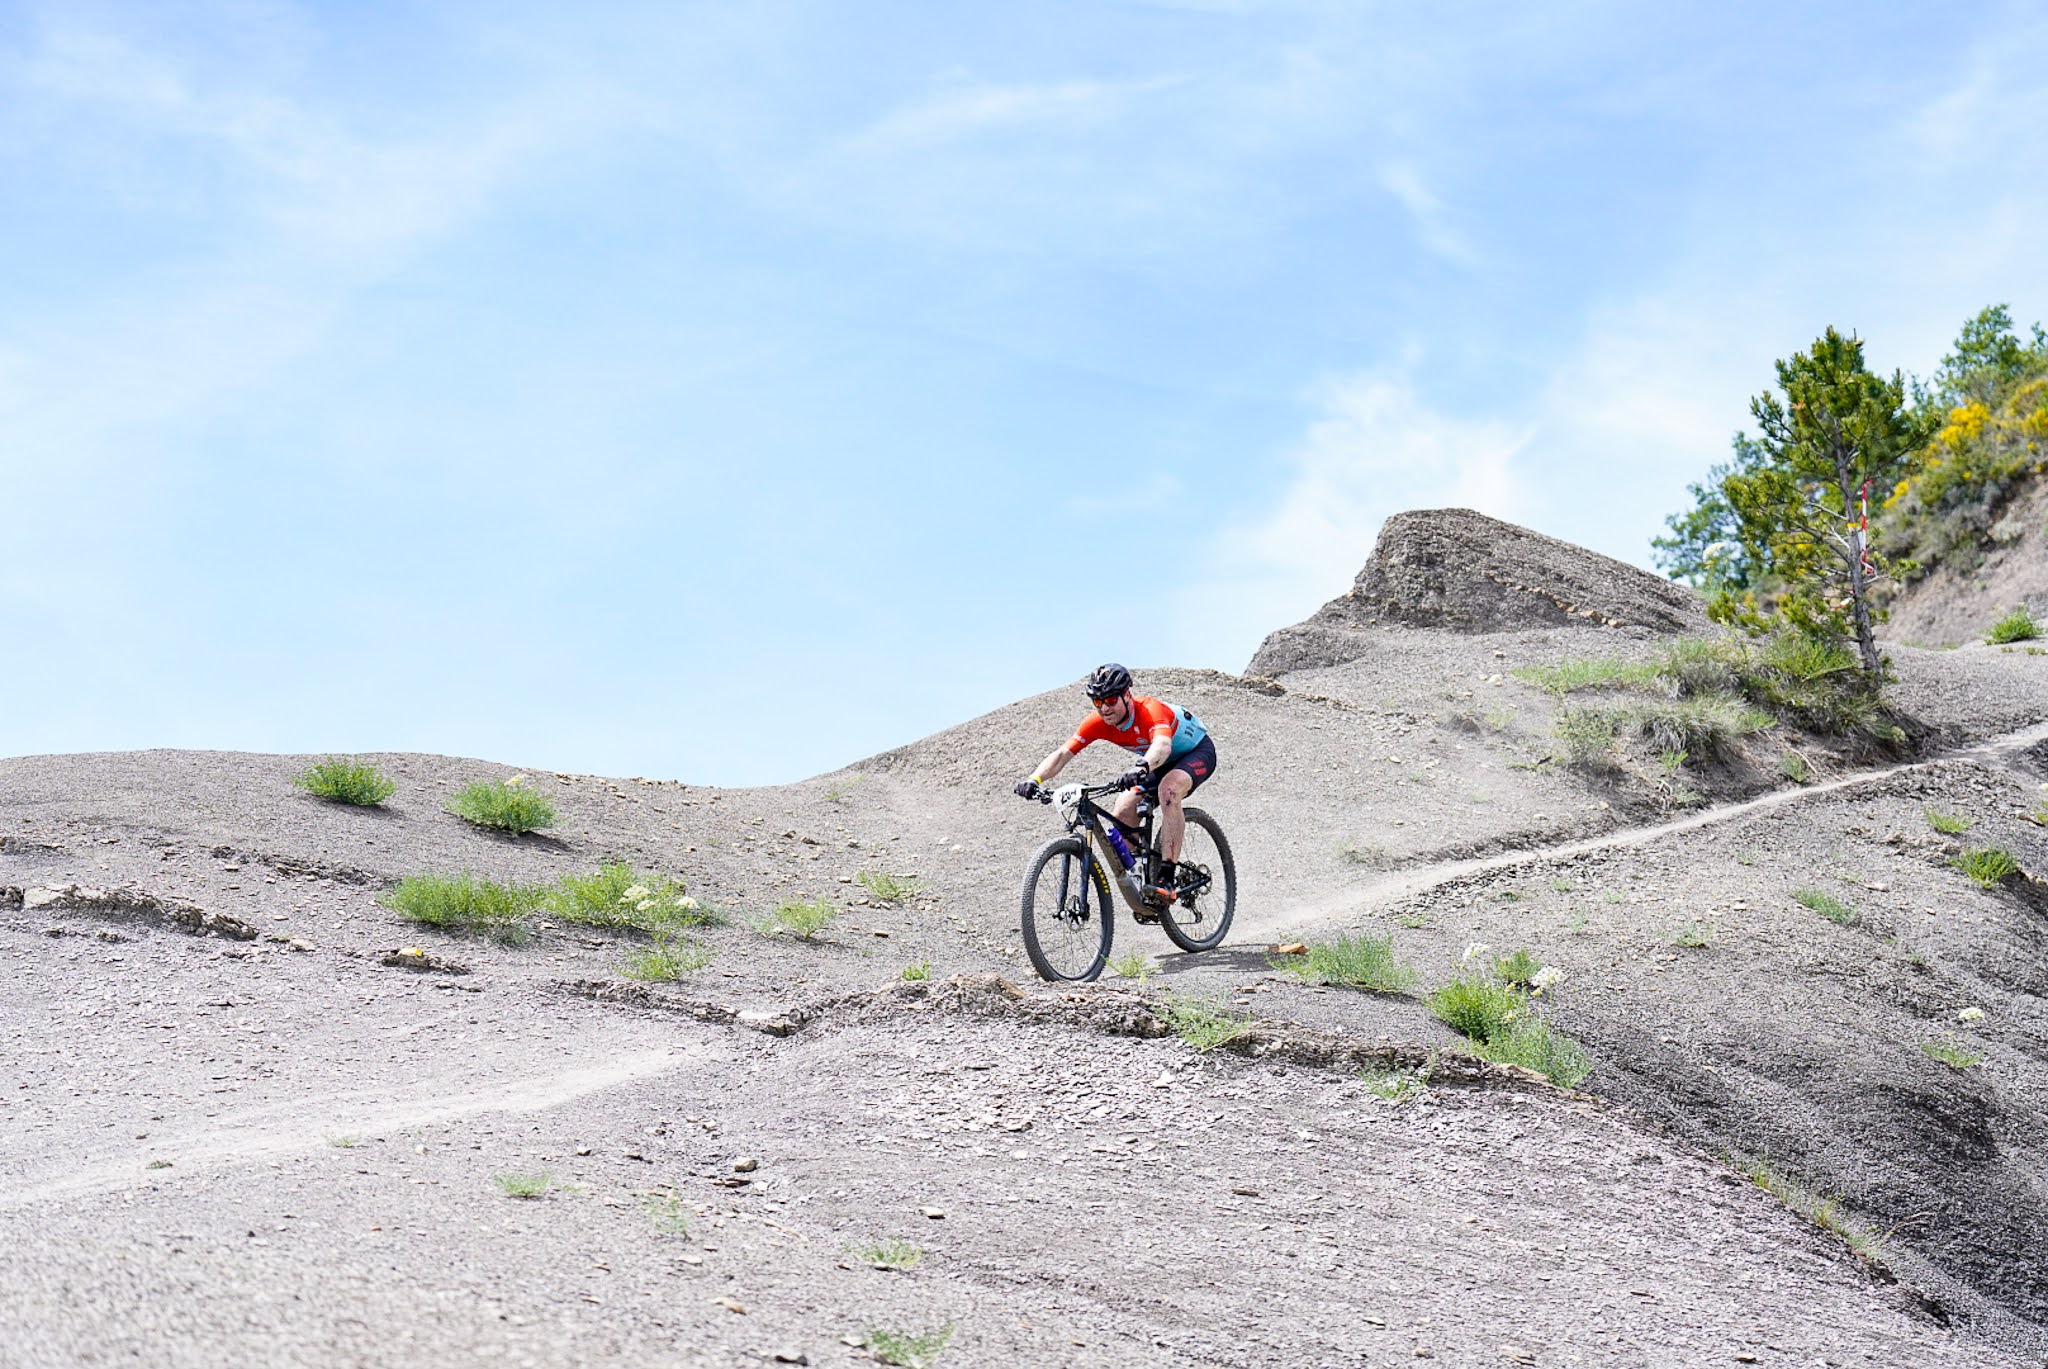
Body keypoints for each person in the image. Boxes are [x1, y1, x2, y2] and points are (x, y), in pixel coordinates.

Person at [1013, 663, 1218, 915]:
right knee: (1122, 810)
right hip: (1154, 763)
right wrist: (1034, 779)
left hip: (1195, 752)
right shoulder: (1097, 722)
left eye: (1110, 700)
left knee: (1169, 791)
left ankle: (1166, 875)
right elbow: (1064, 753)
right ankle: (1142, 880)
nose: (1104, 709)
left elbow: (1163, 746)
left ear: (1127, 695)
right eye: (1098, 703)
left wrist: (1142, 766)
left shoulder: (1150, 709)